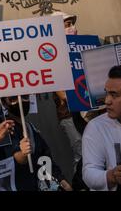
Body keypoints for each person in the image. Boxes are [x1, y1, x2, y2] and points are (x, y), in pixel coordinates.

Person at [1, 95, 72, 191]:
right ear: (4, 103)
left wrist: (61, 179)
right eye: (13, 98)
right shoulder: (3, 131)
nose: (21, 101)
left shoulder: (30, 128)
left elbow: (45, 158)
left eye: (25, 97)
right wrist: (22, 154)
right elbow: (12, 161)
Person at [51, 11, 83, 173]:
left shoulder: (80, 50)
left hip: (89, 113)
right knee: (82, 155)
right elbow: (62, 94)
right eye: (67, 25)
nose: (72, 28)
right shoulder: (52, 56)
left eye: (72, 24)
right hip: (70, 115)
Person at [82, 65, 121, 191]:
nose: (107, 100)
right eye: (107, 93)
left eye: (114, 95)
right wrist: (112, 175)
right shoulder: (96, 127)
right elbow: (89, 173)